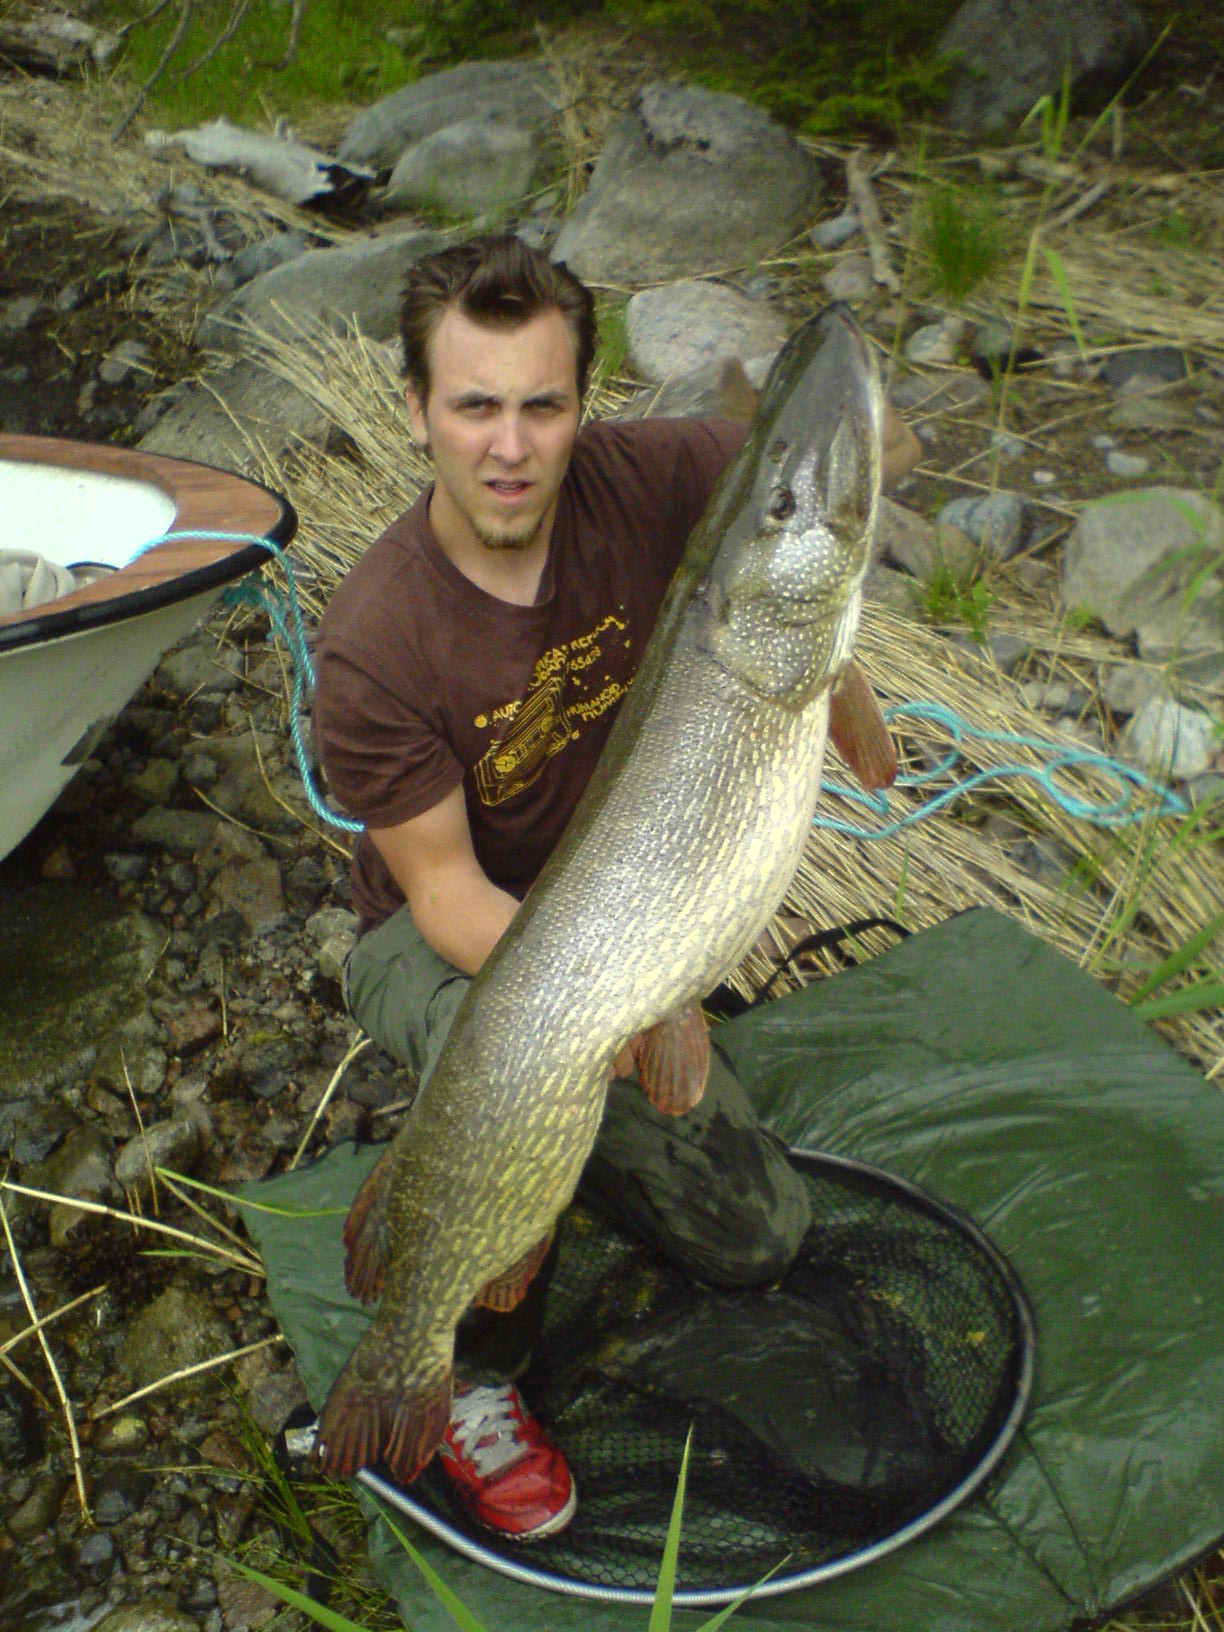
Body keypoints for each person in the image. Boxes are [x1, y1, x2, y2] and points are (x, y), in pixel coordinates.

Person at [313, 234, 917, 1541]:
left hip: (623, 908)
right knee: (517, 1063)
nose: (511, 444)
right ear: (418, 411)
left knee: (759, 1235)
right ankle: (457, 1367)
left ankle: (566, 1156)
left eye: (543, 402)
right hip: (446, 937)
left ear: (582, 403)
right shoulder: (373, 644)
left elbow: (805, 572)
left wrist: (844, 679)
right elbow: (449, 899)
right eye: (475, 405)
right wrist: (616, 999)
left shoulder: (671, 478)